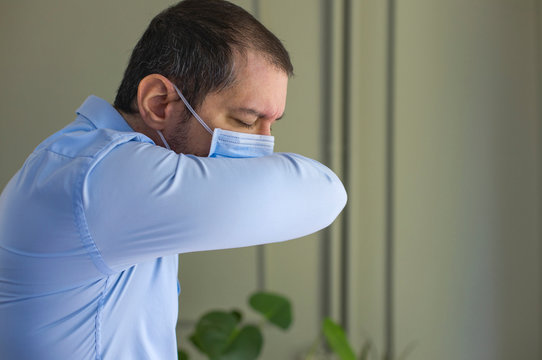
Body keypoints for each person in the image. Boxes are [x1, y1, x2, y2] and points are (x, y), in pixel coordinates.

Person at [0, 0, 347, 359]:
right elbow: (326, 193)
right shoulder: (106, 175)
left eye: (270, 125)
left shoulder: (85, 157)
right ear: (160, 103)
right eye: (245, 121)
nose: (261, 146)